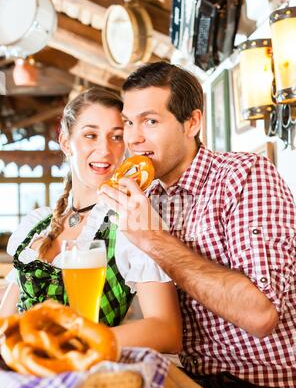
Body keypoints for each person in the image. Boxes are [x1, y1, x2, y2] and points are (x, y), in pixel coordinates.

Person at [99, 62, 296, 388]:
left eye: (150, 122)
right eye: (128, 123)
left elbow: (260, 314)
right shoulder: (145, 197)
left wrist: (155, 239)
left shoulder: (243, 177)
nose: (134, 139)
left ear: (192, 123)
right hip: (183, 381)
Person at [0, 87, 182, 354]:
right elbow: (7, 318)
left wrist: (75, 345)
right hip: (23, 372)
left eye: (116, 137)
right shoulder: (36, 223)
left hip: (86, 376)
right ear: (65, 142)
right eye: (90, 135)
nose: (104, 149)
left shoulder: (132, 222)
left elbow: (166, 331)